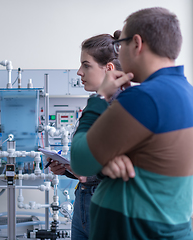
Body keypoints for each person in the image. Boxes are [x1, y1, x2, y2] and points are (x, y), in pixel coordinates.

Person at [70, 7, 193, 239]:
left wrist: (99, 99)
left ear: (136, 44)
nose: (118, 53)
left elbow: (80, 161)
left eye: (120, 45)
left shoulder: (144, 97)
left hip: (133, 229)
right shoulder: (186, 92)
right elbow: (157, 157)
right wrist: (106, 162)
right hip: (168, 225)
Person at [49, 32, 123, 240]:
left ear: (108, 68)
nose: (79, 72)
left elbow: (129, 166)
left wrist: (86, 174)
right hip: (82, 203)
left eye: (86, 65)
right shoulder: (93, 107)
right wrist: (66, 169)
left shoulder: (124, 109)